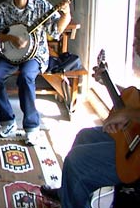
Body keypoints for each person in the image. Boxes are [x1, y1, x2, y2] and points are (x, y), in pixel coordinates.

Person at [40, 18, 140, 208]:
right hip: (132, 137)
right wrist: (108, 82)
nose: (135, 44)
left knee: (76, 162)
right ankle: (67, 194)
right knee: (84, 136)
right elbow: (135, 100)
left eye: (139, 39)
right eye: (135, 37)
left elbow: (131, 111)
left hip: (136, 157)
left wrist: (128, 114)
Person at [0, 0, 71, 145]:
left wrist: (66, 14)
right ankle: (8, 122)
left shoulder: (41, 6)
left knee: (26, 77)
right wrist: (11, 38)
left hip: (35, 55)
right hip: (10, 55)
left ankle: (32, 127)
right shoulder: (2, 9)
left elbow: (55, 31)